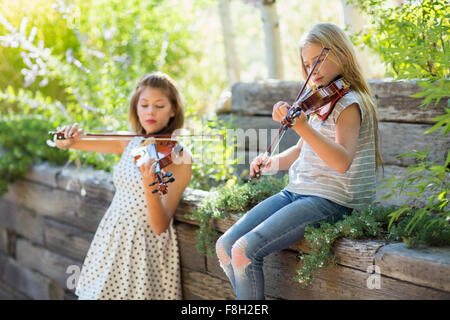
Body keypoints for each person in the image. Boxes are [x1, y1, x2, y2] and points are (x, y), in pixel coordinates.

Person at [215, 23, 382, 300]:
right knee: (225, 245)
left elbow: (341, 161)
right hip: (297, 191)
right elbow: (301, 152)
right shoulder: (319, 101)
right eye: (306, 64)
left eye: (318, 60)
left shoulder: (348, 103)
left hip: (332, 199)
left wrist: (303, 127)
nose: (311, 70)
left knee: (244, 250)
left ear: (341, 54)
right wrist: (271, 162)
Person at [54, 72, 192, 299]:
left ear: (173, 110)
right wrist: (65, 138)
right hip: (113, 236)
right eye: (144, 104)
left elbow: (159, 226)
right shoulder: (130, 141)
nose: (150, 112)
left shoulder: (179, 156)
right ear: (136, 107)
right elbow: (71, 143)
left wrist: (150, 184)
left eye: (159, 105)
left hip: (144, 247)